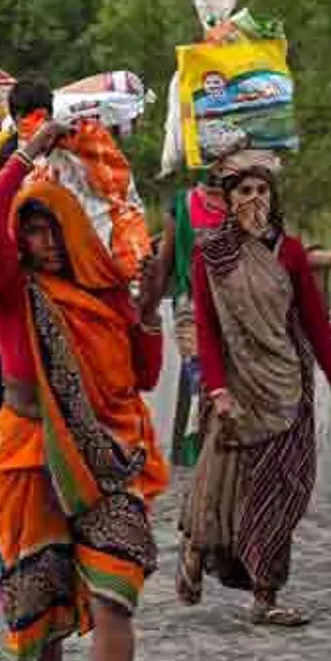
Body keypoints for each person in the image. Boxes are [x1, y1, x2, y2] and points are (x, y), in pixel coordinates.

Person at [0, 121, 167, 661]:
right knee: (42, 597)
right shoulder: (11, 292)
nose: (43, 242)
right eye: (30, 231)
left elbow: (143, 376)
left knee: (115, 595)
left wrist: (149, 315)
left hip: (108, 456)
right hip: (30, 457)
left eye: (52, 229)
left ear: (74, 230)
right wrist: (27, 153)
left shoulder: (105, 297)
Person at [177, 158, 331, 626]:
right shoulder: (212, 254)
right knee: (233, 488)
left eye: (262, 190)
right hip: (239, 387)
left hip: (287, 384)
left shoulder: (290, 252)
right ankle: (255, 587)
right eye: (245, 192)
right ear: (229, 201)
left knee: (289, 485)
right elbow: (207, 326)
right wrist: (217, 389)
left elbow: (316, 323)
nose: (255, 199)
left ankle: (263, 586)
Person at [141, 164, 231, 467]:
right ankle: (206, 464)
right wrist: (146, 312)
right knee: (203, 390)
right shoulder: (182, 205)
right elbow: (164, 264)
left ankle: (225, 467)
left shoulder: (246, 200)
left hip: (239, 310)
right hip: (193, 311)